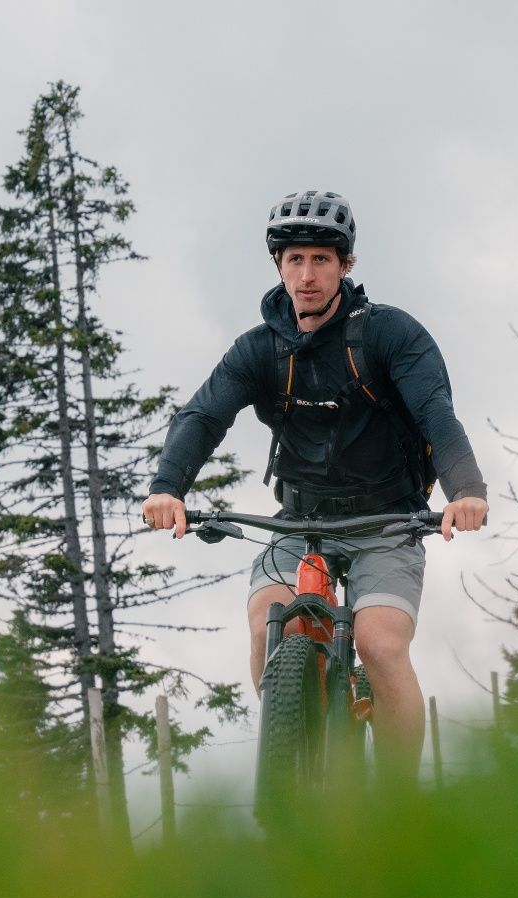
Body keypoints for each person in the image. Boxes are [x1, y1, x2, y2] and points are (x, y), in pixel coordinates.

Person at [141, 189, 488, 785]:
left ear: (346, 265)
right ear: (278, 264)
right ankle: (294, 746)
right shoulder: (260, 350)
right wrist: (167, 486)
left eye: (322, 260)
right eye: (295, 259)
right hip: (299, 522)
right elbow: (202, 416)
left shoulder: (390, 336)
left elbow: (435, 410)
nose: (307, 275)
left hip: (389, 520)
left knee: (379, 645)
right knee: (267, 627)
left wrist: (464, 490)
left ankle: (401, 798)